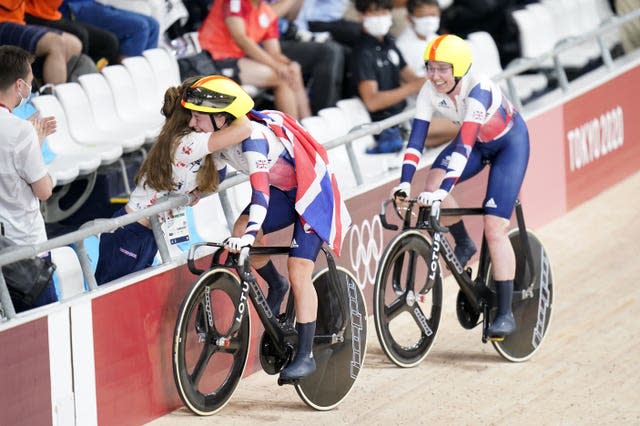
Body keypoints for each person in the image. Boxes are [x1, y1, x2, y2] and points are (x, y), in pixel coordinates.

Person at [180, 75, 351, 380]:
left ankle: (306, 354)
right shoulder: (222, 136)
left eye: (197, 117)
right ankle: (276, 283)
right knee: (242, 227)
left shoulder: (253, 139)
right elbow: (215, 178)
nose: (192, 124)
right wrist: (196, 194)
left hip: (310, 196)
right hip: (283, 193)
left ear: (221, 118)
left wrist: (248, 238)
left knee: (298, 267)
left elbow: (260, 194)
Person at [391, 34, 530, 338]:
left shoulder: (478, 90)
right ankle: (464, 242)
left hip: (508, 145)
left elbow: (464, 146)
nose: (435, 76)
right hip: (478, 143)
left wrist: (442, 193)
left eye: (443, 69)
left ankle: (505, 313)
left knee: (494, 227)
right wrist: (403, 183)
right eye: (430, 68)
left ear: (460, 69)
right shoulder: (429, 91)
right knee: (430, 180)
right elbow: (416, 141)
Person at [94, 77, 253, 285]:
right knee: (111, 304)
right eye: (197, 115)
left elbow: (217, 179)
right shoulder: (185, 141)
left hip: (150, 233)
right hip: (131, 232)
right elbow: (245, 128)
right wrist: (230, 108)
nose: (196, 122)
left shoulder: (195, 140)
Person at [0, 45, 58, 312]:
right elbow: (44, 190)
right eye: (31, 84)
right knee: (40, 330)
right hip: (23, 246)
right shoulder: (19, 130)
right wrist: (35, 144)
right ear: (19, 85)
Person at [197, 0, 311, 119]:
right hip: (210, 59)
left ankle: (307, 126)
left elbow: (274, 53)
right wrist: (277, 66)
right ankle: (292, 132)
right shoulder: (234, 2)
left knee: (292, 72)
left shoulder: (266, 11)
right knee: (281, 77)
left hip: (234, 61)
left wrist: (289, 64)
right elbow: (240, 38)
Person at [351, 0, 426, 154]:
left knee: (460, 124)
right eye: (374, 13)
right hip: (387, 127)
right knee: (462, 126)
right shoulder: (362, 52)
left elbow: (412, 78)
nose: (380, 17)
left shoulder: (389, 42)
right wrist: (412, 87)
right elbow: (372, 101)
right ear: (361, 16)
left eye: (384, 12)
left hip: (405, 115)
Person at [267, 0, 346, 114]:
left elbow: (291, 17)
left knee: (339, 50)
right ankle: (323, 112)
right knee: (329, 51)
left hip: (285, 38)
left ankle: (317, 120)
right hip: (265, 44)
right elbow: (265, 16)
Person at [0, 2, 82, 85]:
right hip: (3, 22)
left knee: (75, 44)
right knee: (55, 44)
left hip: (18, 20)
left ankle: (40, 84)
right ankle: (52, 94)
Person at [24, 0, 119, 67]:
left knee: (109, 42)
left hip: (51, 13)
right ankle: (74, 82)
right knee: (80, 35)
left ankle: (89, 78)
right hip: (28, 14)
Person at [60, 0, 160, 60]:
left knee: (153, 25)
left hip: (94, 3)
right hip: (73, 7)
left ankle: (145, 78)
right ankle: (125, 83)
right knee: (139, 28)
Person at [396, 0, 441, 78]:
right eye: (423, 16)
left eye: (433, 15)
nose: (429, 20)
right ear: (409, 18)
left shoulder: (438, 39)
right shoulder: (400, 46)